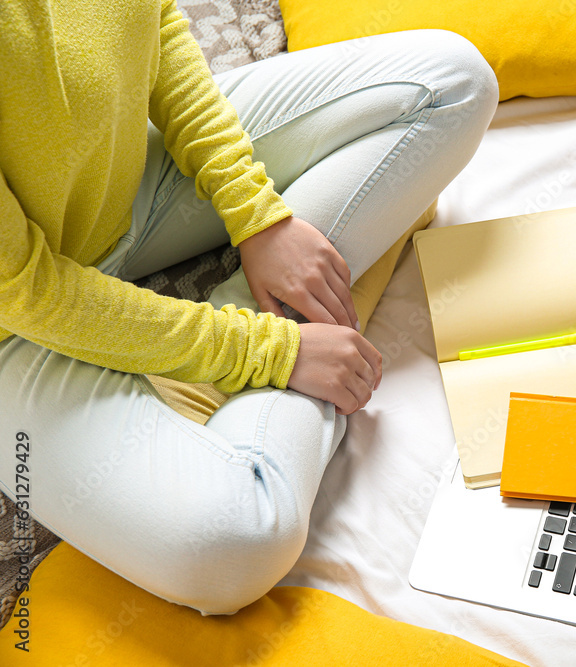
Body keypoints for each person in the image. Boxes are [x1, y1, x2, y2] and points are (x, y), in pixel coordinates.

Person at [0, 1, 498, 614]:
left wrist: (256, 216)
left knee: (454, 82)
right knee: (234, 544)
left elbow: (151, 25)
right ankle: (283, 320)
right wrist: (268, 352)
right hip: (17, 324)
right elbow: (27, 292)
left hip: (125, 182)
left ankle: (253, 318)